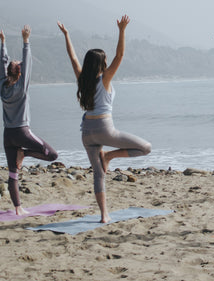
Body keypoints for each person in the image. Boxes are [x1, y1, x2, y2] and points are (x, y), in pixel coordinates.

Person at [58, 14, 151, 223]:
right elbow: (120, 56)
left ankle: (104, 215)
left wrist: (66, 35)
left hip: (86, 133)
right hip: (104, 129)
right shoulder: (105, 79)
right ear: (102, 63)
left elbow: (72, 58)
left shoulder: (82, 80)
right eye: (105, 61)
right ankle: (110, 156)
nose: (109, 63)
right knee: (146, 148)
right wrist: (122, 30)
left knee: (98, 175)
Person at [0, 25, 59, 215]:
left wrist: (3, 43)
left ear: (8, 73)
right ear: (20, 73)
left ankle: (18, 208)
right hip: (22, 132)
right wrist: (26, 41)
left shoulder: (2, 86)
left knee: (12, 173)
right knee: (52, 155)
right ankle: (24, 154)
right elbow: (28, 62)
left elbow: (2, 63)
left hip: (8, 135)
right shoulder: (22, 87)